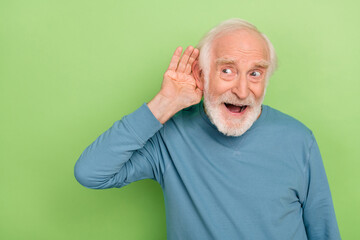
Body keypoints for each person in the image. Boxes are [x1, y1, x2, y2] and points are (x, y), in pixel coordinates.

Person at [74, 18, 341, 239]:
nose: (242, 90)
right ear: (201, 75)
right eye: (227, 70)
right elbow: (91, 172)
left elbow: (323, 229)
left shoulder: (298, 138)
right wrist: (164, 104)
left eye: (255, 74)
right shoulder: (170, 137)